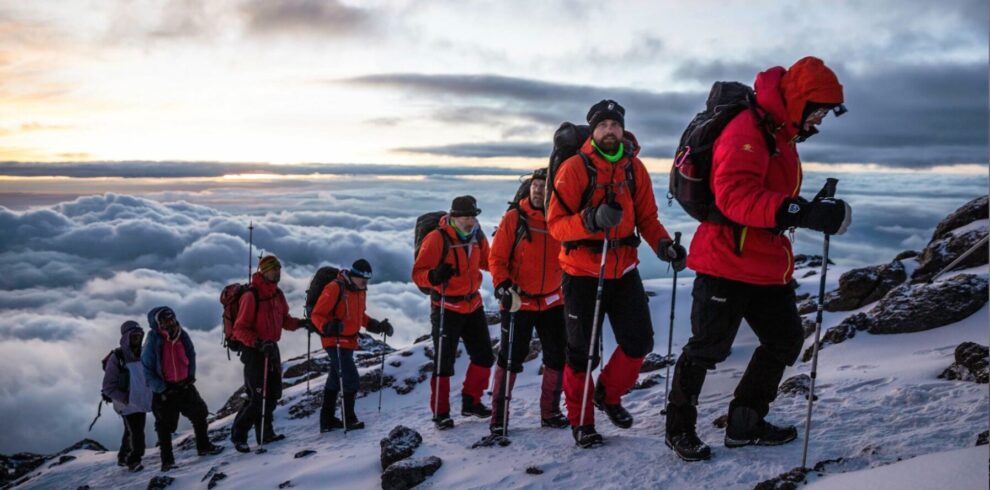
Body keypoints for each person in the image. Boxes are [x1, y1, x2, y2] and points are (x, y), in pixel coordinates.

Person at [665, 56, 852, 462]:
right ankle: (678, 428)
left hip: (767, 262)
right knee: (707, 348)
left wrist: (809, 209)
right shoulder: (747, 129)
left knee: (784, 339)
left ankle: (745, 423)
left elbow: (771, 195)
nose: (819, 121)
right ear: (799, 102)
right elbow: (734, 196)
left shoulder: (779, 133)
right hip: (725, 261)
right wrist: (798, 211)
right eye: (817, 111)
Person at [547, 99, 686, 448]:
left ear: (623, 130)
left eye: (615, 125)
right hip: (581, 272)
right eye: (603, 125)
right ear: (593, 131)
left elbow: (648, 218)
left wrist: (664, 246)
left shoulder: (633, 169)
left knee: (639, 342)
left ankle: (607, 395)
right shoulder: (575, 168)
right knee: (581, 353)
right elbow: (555, 226)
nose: (610, 130)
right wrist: (591, 220)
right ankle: (583, 422)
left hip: (623, 269)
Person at [488, 168, 569, 434]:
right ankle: (498, 418)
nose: (537, 189)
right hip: (518, 300)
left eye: (543, 186)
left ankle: (551, 412)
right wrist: (501, 285)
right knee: (511, 357)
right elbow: (497, 258)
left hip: (552, 301)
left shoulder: (559, 220)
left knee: (557, 356)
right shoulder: (515, 218)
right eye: (535, 184)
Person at [412, 195, 496, 430]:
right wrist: (433, 276)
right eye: (465, 217)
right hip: (446, 307)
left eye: (472, 216)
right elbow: (418, 273)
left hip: (473, 304)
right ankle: (441, 413)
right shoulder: (437, 239)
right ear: (453, 217)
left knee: (484, 357)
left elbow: (489, 262)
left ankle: (471, 401)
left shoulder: (477, 236)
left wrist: (505, 275)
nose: (469, 221)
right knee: (443, 362)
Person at [230, 255, 309, 453]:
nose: (277, 272)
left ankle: (266, 433)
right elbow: (240, 329)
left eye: (279, 269)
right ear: (263, 271)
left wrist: (302, 324)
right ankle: (239, 436)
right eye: (273, 269)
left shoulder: (277, 294)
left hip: (271, 348)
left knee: (272, 395)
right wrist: (257, 343)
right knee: (256, 398)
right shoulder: (252, 295)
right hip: (254, 351)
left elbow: (284, 320)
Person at [310, 259, 394, 433]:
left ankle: (327, 421)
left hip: (349, 341)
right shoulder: (335, 287)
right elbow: (317, 314)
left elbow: (359, 315)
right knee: (351, 378)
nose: (365, 282)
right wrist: (327, 327)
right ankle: (349, 419)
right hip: (334, 341)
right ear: (354, 275)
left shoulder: (360, 291)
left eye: (367, 279)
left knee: (334, 380)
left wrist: (377, 326)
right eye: (363, 278)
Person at [143, 306, 223, 471]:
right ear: (158, 323)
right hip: (165, 390)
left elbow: (191, 354)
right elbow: (147, 369)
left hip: (184, 385)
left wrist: (190, 376)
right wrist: (162, 388)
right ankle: (167, 461)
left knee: (200, 413)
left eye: (171, 318)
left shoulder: (181, 334)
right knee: (165, 426)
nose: (170, 322)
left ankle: (204, 447)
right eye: (165, 320)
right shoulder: (153, 340)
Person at [101, 320, 153, 472]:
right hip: (127, 404)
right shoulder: (117, 357)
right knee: (137, 433)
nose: (137, 338)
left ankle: (123, 457)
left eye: (139, 335)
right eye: (134, 335)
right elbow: (108, 387)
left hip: (140, 401)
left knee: (131, 430)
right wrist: (126, 398)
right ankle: (133, 460)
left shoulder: (143, 353)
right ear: (126, 337)